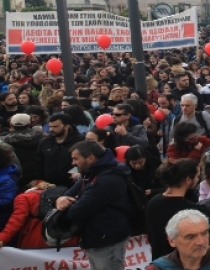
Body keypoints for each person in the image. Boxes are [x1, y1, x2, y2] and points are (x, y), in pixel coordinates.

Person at [55, 141, 131, 270]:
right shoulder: (91, 173)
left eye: (75, 159)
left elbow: (76, 212)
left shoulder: (108, 179)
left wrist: (67, 205)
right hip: (95, 236)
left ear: (90, 158)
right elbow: (67, 194)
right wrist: (60, 199)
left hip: (107, 239)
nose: (73, 163)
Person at [146, 159, 210, 259]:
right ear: (188, 180)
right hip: (184, 262)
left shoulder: (153, 202)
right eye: (197, 176)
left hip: (160, 261)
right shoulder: (193, 211)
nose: (198, 180)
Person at [146, 210, 210, 270]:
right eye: (190, 237)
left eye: (204, 233)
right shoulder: (158, 268)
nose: (201, 242)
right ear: (172, 240)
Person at [37, 114, 84, 188]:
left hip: (71, 184)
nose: (51, 130)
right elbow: (39, 162)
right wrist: (40, 180)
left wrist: (76, 173)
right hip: (49, 185)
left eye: (55, 127)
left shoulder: (80, 141)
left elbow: (84, 160)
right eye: (50, 126)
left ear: (66, 127)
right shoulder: (45, 142)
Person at [1, 113, 43, 188]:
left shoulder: (4, 142)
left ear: (11, 124)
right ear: (29, 123)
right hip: (39, 175)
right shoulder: (42, 138)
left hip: (16, 177)